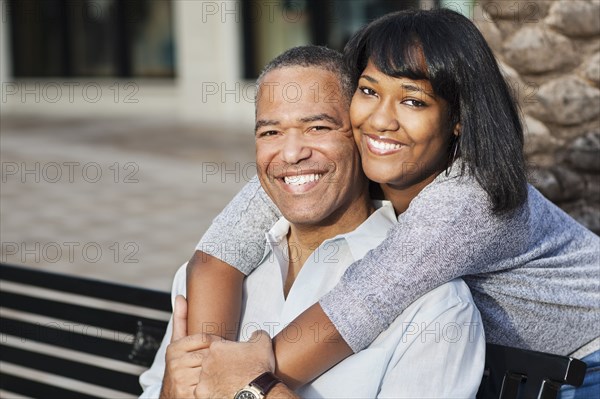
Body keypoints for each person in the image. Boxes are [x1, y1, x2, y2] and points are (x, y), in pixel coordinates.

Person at [186, 7, 600, 396]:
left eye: (413, 101)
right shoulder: (349, 156)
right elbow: (219, 254)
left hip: (587, 362)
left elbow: (354, 309)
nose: (381, 120)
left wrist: (231, 375)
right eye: (369, 91)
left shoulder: (469, 200)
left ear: (458, 119)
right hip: (516, 366)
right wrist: (204, 357)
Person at [139, 45, 485, 398]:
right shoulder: (211, 281)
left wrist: (253, 389)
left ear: (365, 138)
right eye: (270, 133)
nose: (291, 154)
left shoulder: (435, 307)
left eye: (318, 127)